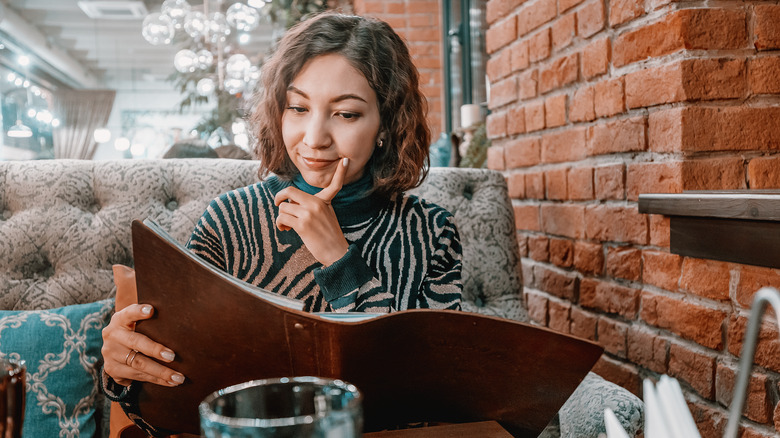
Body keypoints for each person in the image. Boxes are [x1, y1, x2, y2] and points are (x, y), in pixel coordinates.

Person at [101, 11, 462, 436]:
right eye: (298, 107)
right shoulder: (228, 221)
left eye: (345, 114)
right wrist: (124, 374)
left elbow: (435, 398)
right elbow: (177, 402)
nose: (314, 138)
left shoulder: (430, 232)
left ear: (385, 123)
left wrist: (339, 257)